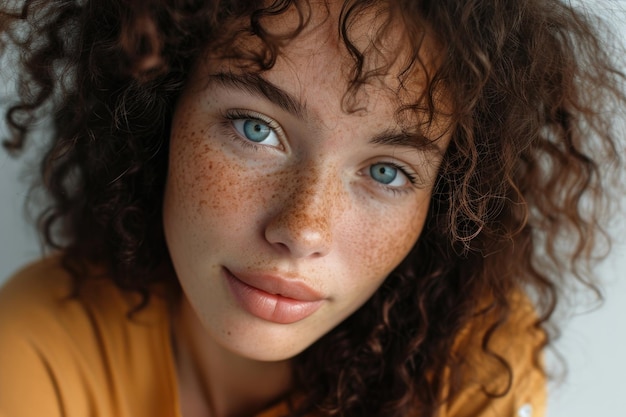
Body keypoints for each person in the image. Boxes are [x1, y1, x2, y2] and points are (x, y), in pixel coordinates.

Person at [0, 0, 623, 416]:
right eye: (254, 128)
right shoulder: (36, 344)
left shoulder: (473, 361)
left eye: (387, 171)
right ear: (157, 112)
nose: (302, 230)